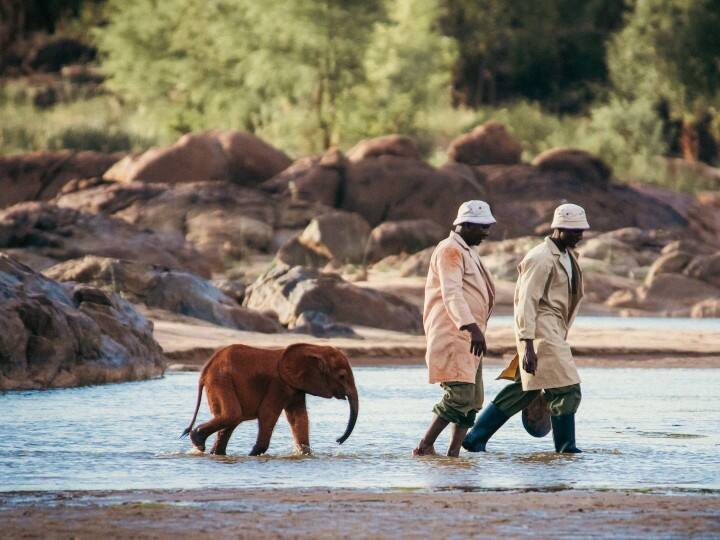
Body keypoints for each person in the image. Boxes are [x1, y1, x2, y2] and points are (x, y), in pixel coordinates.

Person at [462, 203, 589, 454]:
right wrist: (527, 344)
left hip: (553, 331)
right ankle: (566, 448)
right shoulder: (540, 257)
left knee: (523, 390)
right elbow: (524, 303)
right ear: (558, 228)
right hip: (541, 334)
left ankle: (475, 438)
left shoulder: (566, 255)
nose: (580, 235)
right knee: (567, 389)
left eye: (581, 230)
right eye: (574, 231)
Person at [413, 200, 496, 457]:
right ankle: (424, 447)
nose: (486, 232)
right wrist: (472, 327)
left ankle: (453, 455)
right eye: (482, 227)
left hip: (469, 337)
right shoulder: (449, 250)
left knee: (472, 401)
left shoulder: (467, 250)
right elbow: (451, 293)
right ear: (466, 225)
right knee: (459, 396)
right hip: (455, 334)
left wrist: (475, 330)